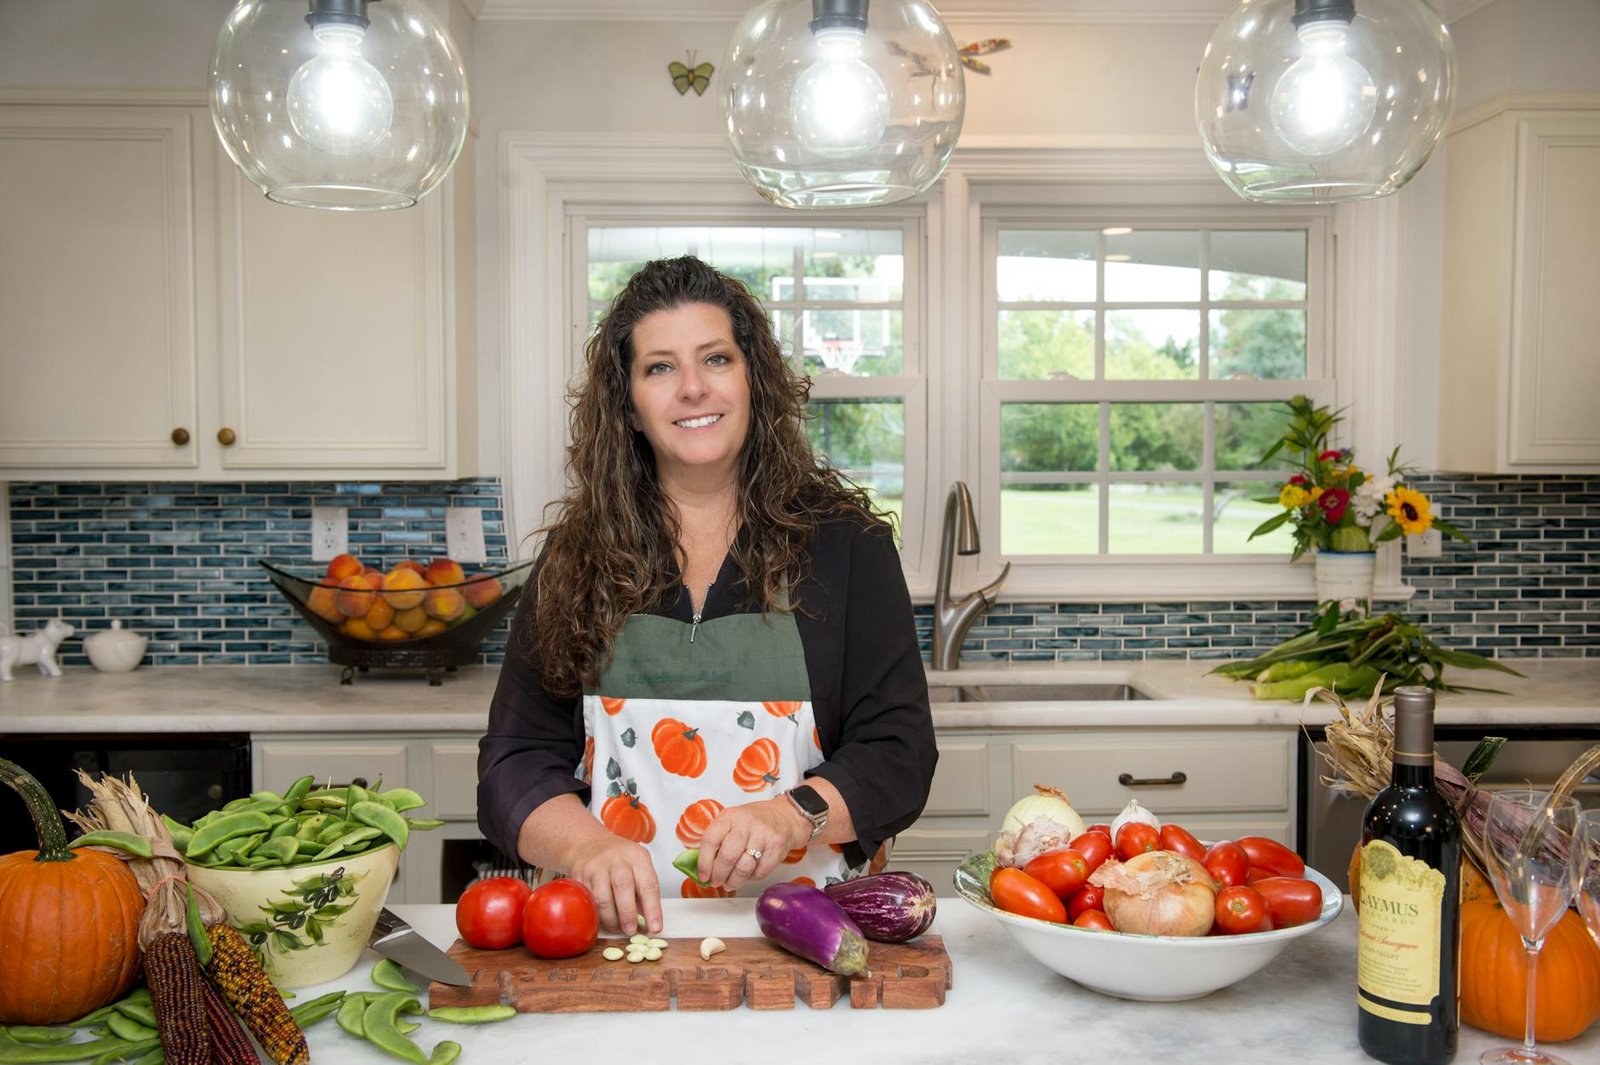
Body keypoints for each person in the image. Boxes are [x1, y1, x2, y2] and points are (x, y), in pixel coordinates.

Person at [478, 255, 936, 935]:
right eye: (660, 367)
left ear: (753, 380)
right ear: (629, 406)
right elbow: (514, 760)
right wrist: (586, 845)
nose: (692, 387)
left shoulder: (846, 548)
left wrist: (790, 813)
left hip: (806, 940)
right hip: (607, 941)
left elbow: (898, 751)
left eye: (716, 358)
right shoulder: (576, 557)